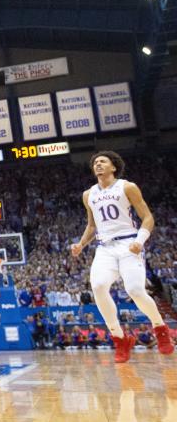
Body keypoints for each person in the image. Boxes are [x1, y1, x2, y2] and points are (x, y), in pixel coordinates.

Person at [70, 151, 174, 363]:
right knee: (98, 286)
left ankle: (160, 328)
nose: (98, 164)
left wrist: (140, 240)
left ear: (113, 167)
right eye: (95, 162)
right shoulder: (88, 194)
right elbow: (92, 225)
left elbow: (147, 217)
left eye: (103, 161)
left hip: (129, 243)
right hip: (105, 247)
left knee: (135, 290)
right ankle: (119, 338)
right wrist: (81, 244)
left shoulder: (127, 187)